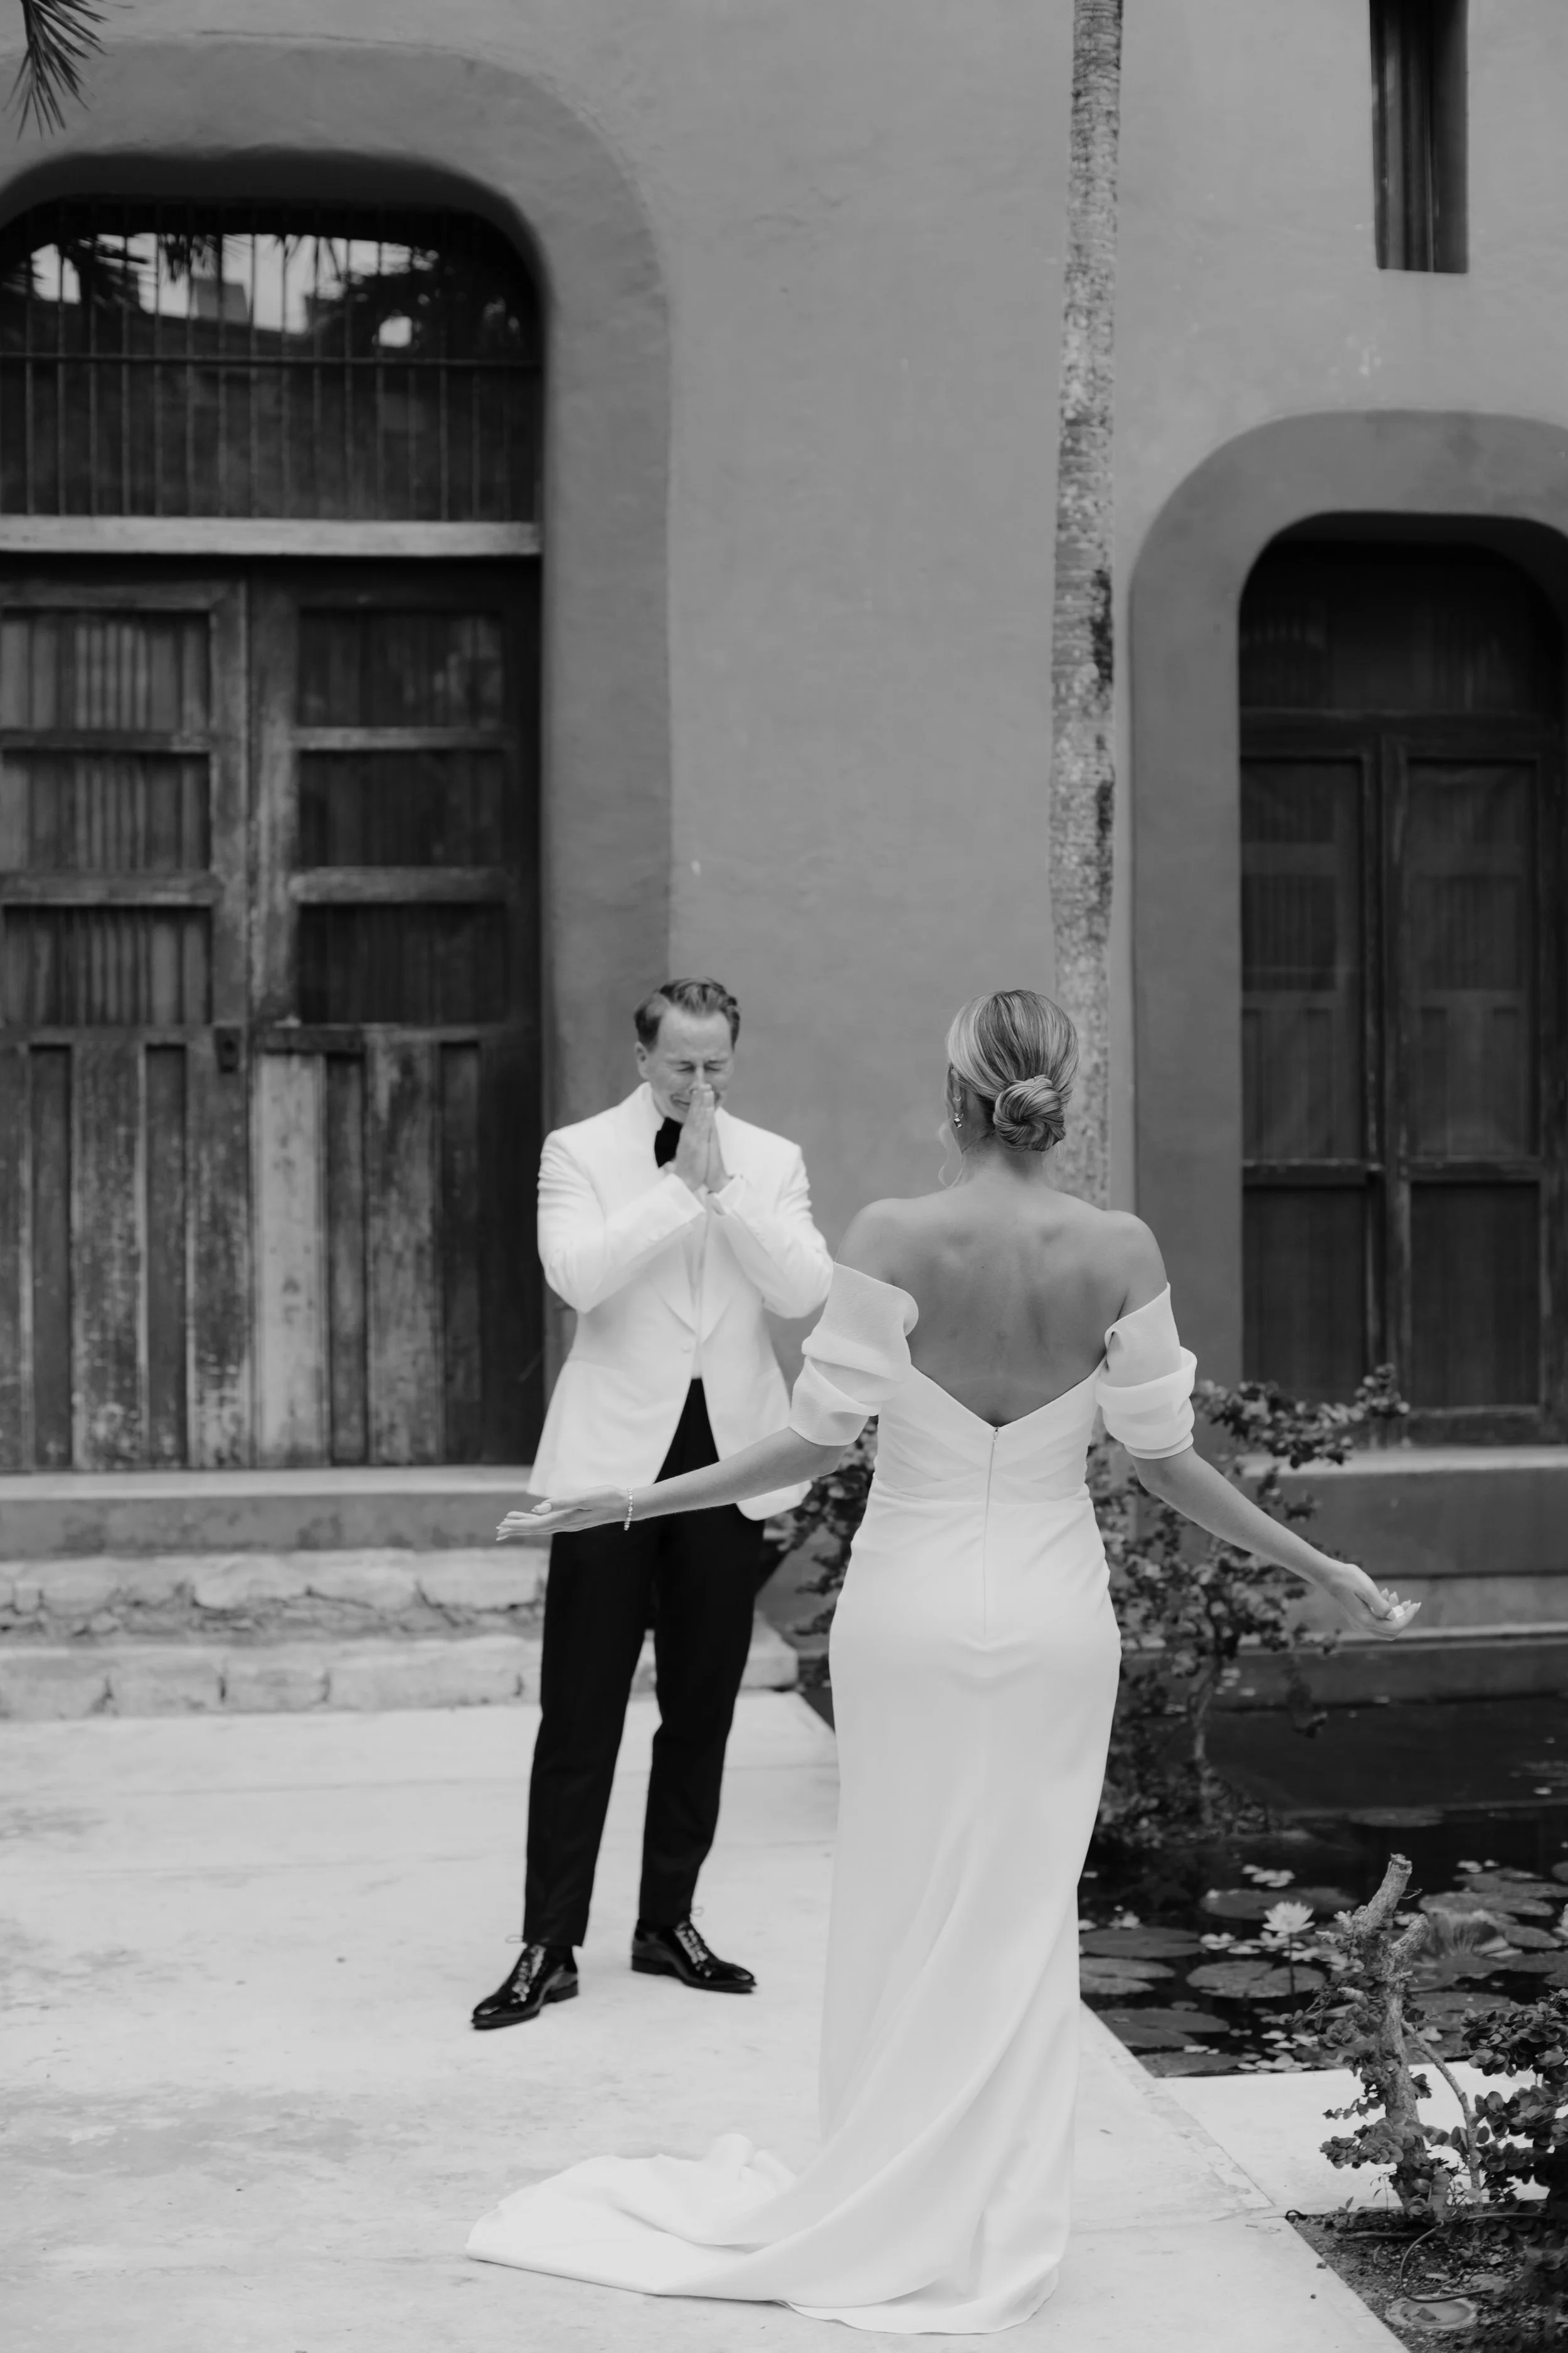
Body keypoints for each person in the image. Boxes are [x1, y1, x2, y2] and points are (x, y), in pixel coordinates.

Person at [470, 988, 1418, 2330]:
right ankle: (993, 2220)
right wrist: (1316, 1567)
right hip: (1049, 1623)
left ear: (957, 1092)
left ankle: (883, 2192)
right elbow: (1164, 1464)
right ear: (1059, 1097)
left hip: (906, 1618)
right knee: (1021, 1922)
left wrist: (626, 1499)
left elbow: (810, 1443)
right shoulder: (1120, 1248)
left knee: (899, 1906)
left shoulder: (888, 1235)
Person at [470, 977, 834, 2031]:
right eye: (682, 1065)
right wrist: (679, 1187)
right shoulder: (578, 1151)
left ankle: (666, 1919)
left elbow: (802, 1291)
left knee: (702, 1705)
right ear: (644, 1060)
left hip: (728, 1461)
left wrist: (729, 1191)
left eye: (717, 1065)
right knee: (580, 1709)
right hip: (607, 1469)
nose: (700, 1083)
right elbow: (576, 1277)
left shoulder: (774, 1160)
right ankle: (550, 1941)